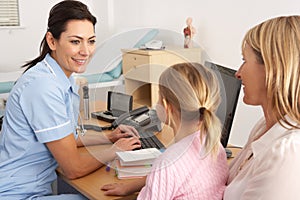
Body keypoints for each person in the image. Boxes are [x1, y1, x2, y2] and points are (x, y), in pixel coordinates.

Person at [0, 1, 141, 199]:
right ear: (52, 41)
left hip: (31, 186)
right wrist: (114, 150)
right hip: (17, 193)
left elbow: (67, 139)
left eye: (91, 41)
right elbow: (72, 169)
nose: (86, 51)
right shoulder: (43, 86)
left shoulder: (62, 78)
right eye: (76, 41)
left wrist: (110, 137)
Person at [101, 62, 229, 199]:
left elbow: (168, 174)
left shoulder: (167, 164)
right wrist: (130, 187)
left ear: (167, 106)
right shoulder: (214, 145)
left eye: (159, 96)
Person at [224, 15, 300, 199]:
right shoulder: (264, 127)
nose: (238, 73)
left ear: (273, 68)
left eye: (245, 60)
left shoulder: (288, 153)